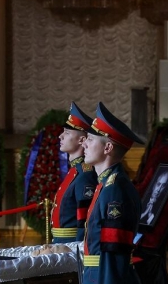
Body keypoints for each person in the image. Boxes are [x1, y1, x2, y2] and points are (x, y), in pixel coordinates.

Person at [82, 102, 144, 284]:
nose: (84, 143)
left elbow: (113, 254)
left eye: (90, 139)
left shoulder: (114, 190)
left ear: (108, 148)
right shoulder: (107, 185)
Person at [50, 102, 97, 243]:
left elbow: (84, 221)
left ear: (81, 140)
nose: (60, 136)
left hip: (70, 244)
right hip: (61, 241)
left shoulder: (85, 174)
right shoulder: (74, 171)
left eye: (67, 133)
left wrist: (76, 249)